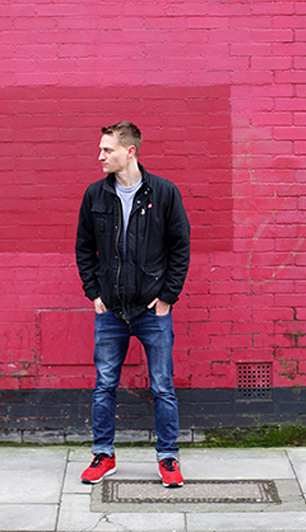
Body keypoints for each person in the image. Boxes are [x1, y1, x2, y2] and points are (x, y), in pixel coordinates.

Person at [75, 121, 191, 488]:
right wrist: (95, 294)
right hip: (111, 310)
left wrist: (168, 296)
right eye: (101, 149)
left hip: (152, 310)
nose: (100, 156)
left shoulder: (164, 192)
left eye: (107, 150)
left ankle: (168, 457)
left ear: (130, 151)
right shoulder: (95, 195)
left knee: (162, 386)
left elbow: (180, 247)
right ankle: (104, 454)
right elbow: (84, 248)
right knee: (104, 385)